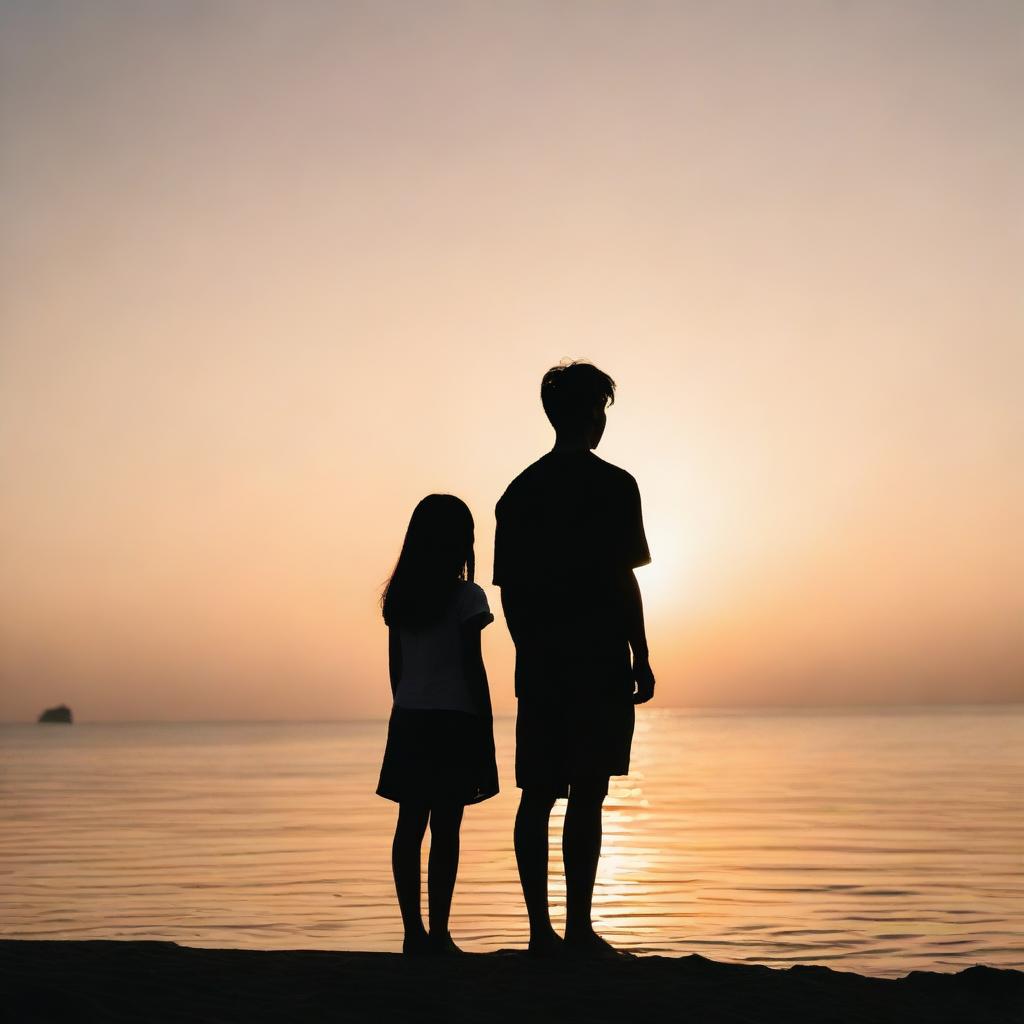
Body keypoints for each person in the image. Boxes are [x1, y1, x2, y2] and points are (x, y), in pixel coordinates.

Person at [494, 361, 654, 957]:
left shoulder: (520, 492)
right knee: (585, 792)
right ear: (588, 413)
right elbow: (624, 581)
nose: (603, 423)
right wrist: (641, 654)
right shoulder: (615, 486)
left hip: (543, 663)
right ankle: (578, 930)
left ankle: (543, 933)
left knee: (540, 792)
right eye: (601, 411)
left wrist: (530, 654)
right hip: (597, 660)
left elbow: (508, 593)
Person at [376, 493, 498, 955]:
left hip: (408, 718)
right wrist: (485, 726)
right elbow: (473, 668)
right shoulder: (468, 597)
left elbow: (396, 669)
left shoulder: (400, 597)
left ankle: (413, 933)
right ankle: (440, 933)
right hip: (454, 720)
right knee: (446, 829)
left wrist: (404, 708)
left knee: (410, 825)